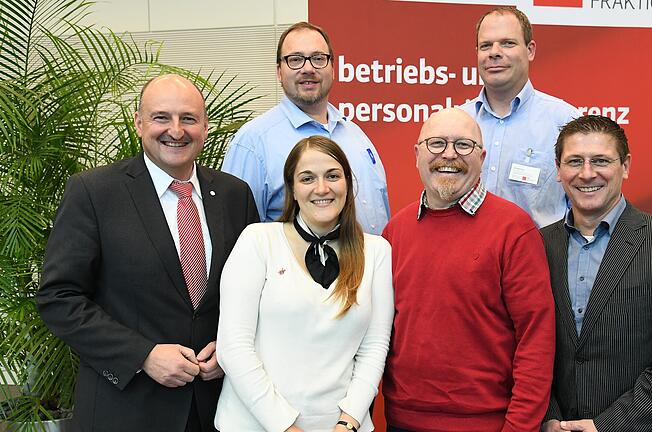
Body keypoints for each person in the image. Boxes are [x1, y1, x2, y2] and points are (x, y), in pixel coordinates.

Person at [37, 74, 259, 432]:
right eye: (161, 117)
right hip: (127, 408)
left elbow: (257, 293)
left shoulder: (236, 195)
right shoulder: (94, 192)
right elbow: (58, 297)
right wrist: (143, 355)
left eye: (188, 118)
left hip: (219, 408)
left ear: (204, 125)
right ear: (139, 123)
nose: (176, 130)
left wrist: (231, 346)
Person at [382, 107, 555, 432]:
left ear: (482, 156)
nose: (449, 154)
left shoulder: (514, 230)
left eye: (463, 145)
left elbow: (537, 339)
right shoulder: (396, 231)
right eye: (436, 144)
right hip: (402, 422)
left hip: (487, 424)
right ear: (416, 154)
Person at [540, 115, 652, 432]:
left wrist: (605, 426)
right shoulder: (537, 245)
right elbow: (526, 346)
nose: (587, 173)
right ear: (558, 170)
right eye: (574, 161)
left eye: (601, 161)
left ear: (626, 166)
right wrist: (550, 418)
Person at [214, 136, 394, 432]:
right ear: (292, 189)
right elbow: (233, 348)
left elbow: (374, 348)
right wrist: (284, 426)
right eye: (307, 178)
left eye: (333, 176)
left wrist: (348, 423)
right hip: (254, 424)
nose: (322, 188)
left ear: (347, 184)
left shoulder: (376, 251)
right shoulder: (258, 241)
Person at [222, 21, 390, 235]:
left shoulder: (356, 135)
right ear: (279, 72)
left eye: (318, 58)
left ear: (332, 68)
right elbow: (236, 234)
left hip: (372, 265)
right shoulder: (252, 142)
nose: (308, 68)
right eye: (295, 60)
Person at [461, 6, 579, 228]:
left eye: (507, 43)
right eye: (486, 45)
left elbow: (584, 209)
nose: (494, 52)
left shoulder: (565, 122)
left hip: (540, 260)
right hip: (466, 260)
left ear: (530, 50)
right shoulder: (457, 122)